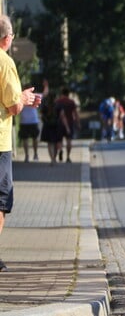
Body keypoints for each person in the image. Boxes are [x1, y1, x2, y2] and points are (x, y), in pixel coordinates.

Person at [1, 14, 42, 272]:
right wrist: (25, 98)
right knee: (1, 200)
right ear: (7, 38)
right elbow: (13, 106)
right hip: (0, 143)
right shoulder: (5, 63)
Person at [55, 87, 79, 163]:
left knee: (59, 140)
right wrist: (78, 123)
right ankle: (68, 157)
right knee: (69, 140)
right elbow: (75, 113)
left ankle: (61, 150)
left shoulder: (58, 101)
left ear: (62, 93)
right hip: (70, 123)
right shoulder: (71, 102)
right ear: (68, 94)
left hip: (59, 123)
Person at [39, 92, 62, 165]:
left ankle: (52, 159)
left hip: (47, 126)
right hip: (56, 126)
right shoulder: (58, 106)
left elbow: (41, 116)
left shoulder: (45, 106)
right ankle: (54, 158)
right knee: (55, 143)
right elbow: (62, 116)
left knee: (50, 143)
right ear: (55, 98)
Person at [18, 88, 41, 163]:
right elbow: (45, 93)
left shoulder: (20, 96)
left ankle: (28, 156)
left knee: (26, 139)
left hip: (25, 121)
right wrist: (46, 85)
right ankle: (34, 154)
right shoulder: (35, 95)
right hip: (32, 121)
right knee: (34, 139)